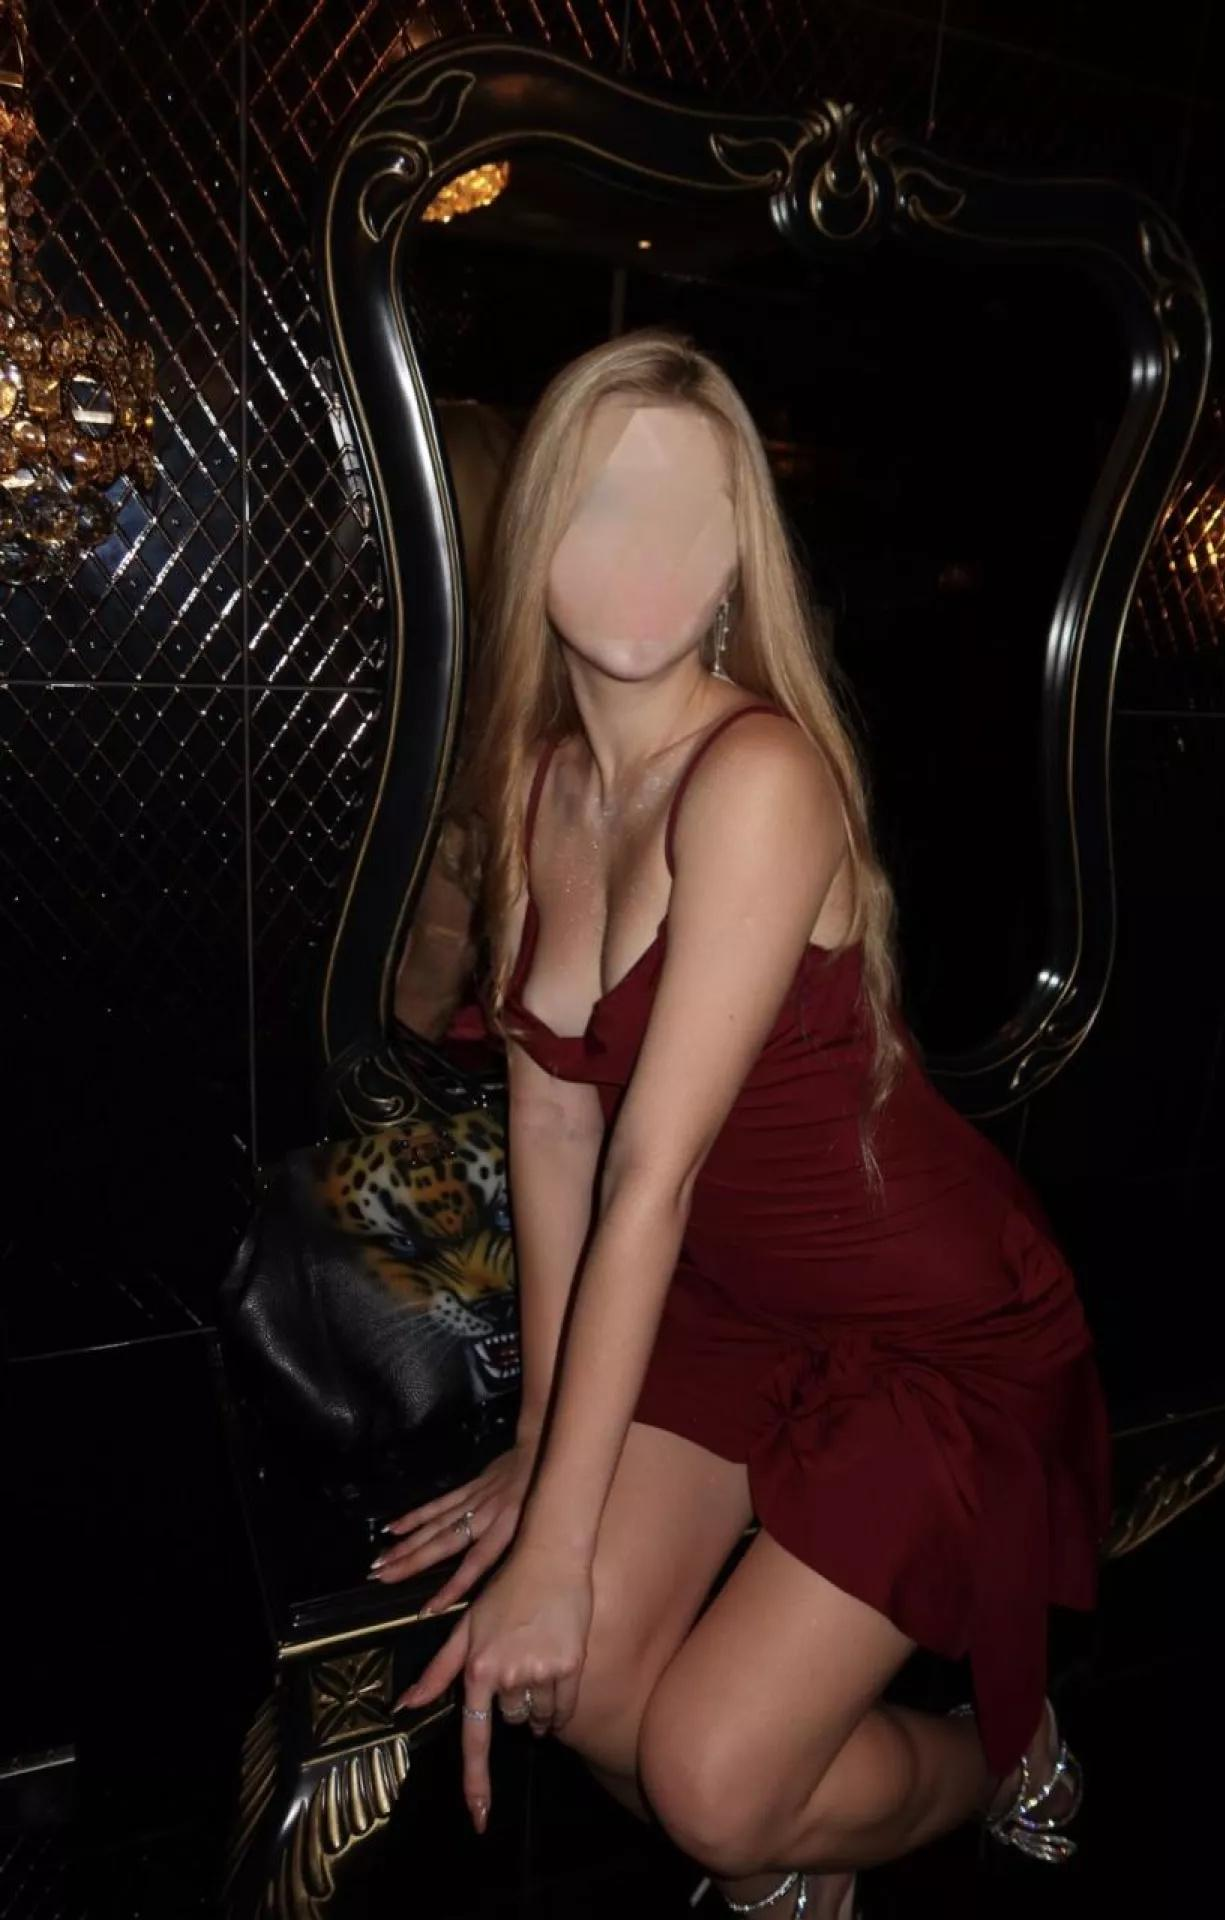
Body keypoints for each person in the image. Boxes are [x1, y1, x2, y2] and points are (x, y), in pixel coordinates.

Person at [367, 328, 1112, 1919]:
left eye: (691, 512)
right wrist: (542, 1442)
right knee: (580, 1692)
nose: (647, 551)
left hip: (924, 1323)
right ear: (533, 533)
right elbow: (556, 1138)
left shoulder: (758, 773)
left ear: (737, 561)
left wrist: (559, 1538)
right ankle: (797, 1853)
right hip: (722, 1298)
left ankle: (1007, 1749)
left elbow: (649, 1169)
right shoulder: (535, 787)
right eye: (603, 503)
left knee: (708, 1784)